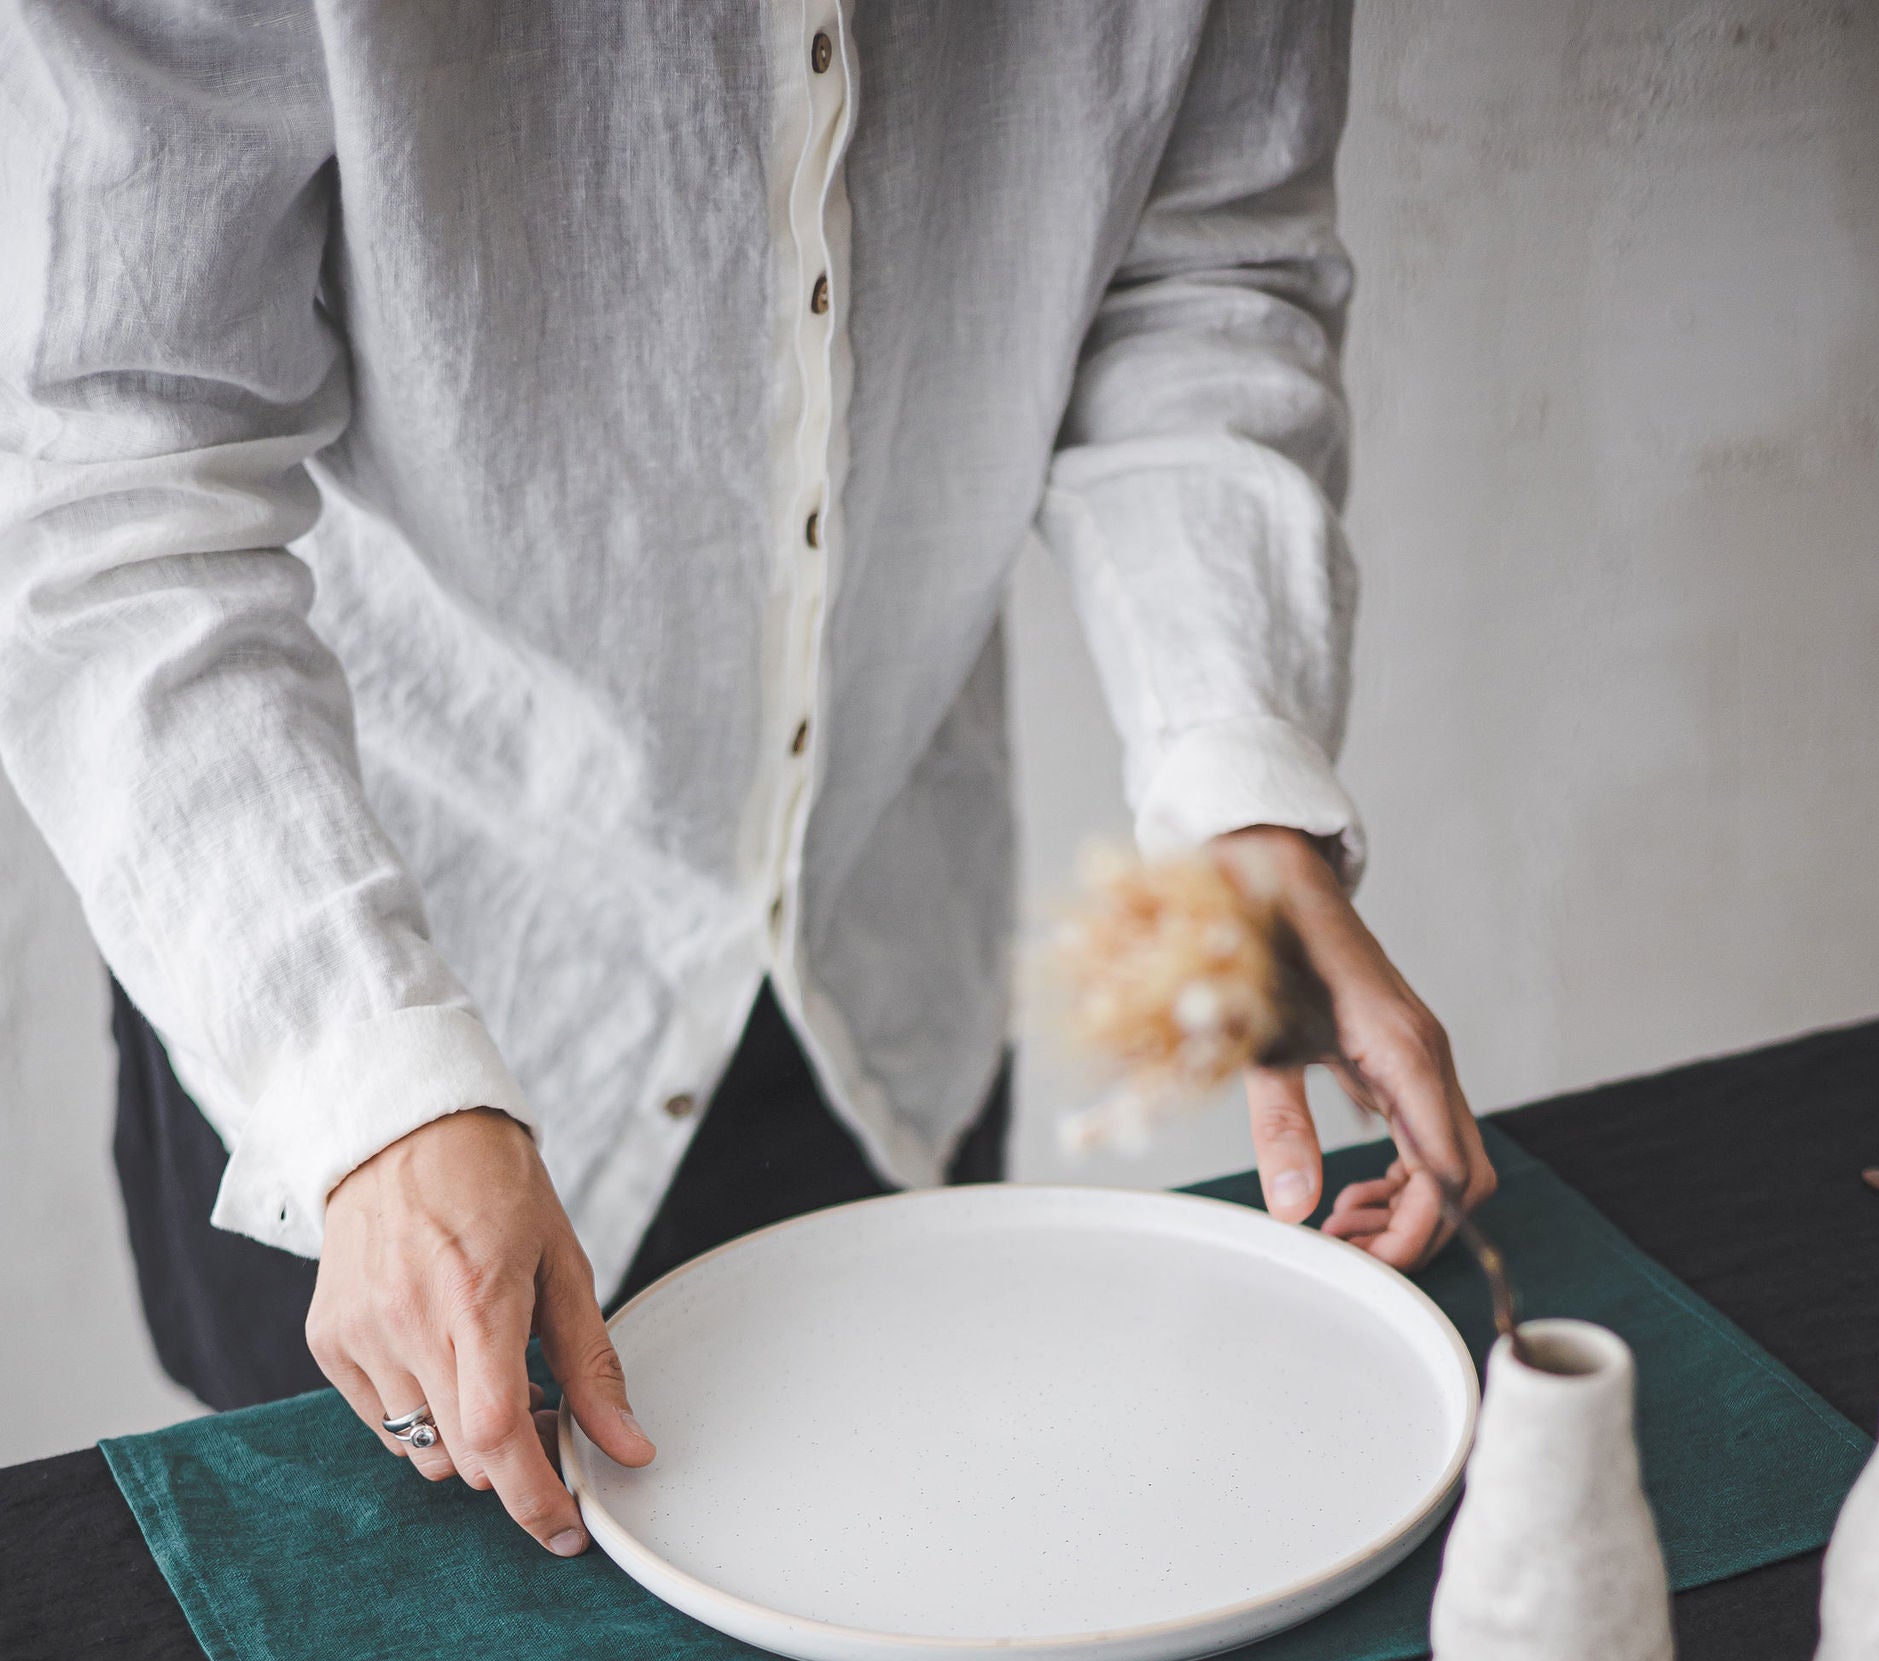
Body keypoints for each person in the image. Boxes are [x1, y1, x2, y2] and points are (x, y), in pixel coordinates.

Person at [0, 0, 1492, 1557]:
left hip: (873, 979)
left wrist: (1243, 795)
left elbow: (1201, 272)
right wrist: (366, 1087)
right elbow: (112, 475)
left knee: (904, 1575)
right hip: (350, 1003)